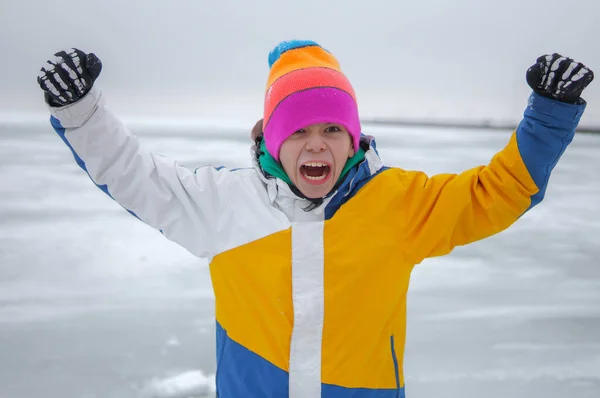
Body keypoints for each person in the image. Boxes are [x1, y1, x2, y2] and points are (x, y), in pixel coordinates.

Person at [37, 40, 594, 398]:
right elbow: (135, 176)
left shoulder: (396, 204)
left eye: (332, 130)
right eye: (300, 130)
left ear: (352, 139)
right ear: (273, 140)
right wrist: (81, 112)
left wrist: (548, 115)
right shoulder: (223, 203)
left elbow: (494, 193)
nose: (317, 144)